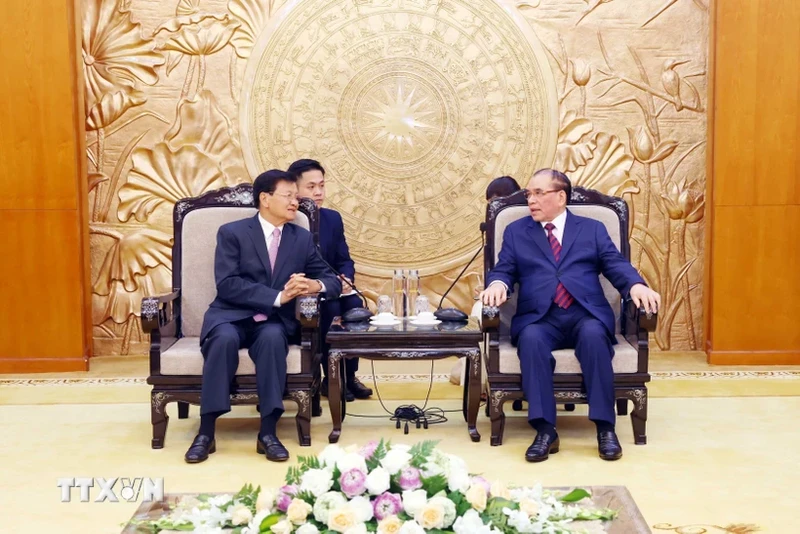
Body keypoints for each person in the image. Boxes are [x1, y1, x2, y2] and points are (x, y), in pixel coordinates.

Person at [481, 169, 660, 462]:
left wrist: (636, 285)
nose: (531, 200)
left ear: (561, 197)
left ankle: (605, 428)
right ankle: (545, 430)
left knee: (592, 337)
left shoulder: (592, 229)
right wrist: (498, 284)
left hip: (584, 313)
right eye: (529, 194)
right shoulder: (517, 232)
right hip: (540, 317)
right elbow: (504, 268)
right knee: (532, 340)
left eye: (539, 193)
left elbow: (615, 264)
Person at [184, 170, 341, 464]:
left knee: (272, 339)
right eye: (289, 196)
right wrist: (280, 296)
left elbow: (331, 280)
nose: (296, 202)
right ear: (265, 199)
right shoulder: (233, 233)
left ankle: (267, 432)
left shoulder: (301, 238)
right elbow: (228, 284)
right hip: (231, 316)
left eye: (297, 196)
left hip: (273, 321)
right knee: (224, 340)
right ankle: (206, 432)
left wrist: (312, 285)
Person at [288, 159, 373, 402]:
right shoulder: (287, 218)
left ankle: (349, 375)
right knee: (331, 307)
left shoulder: (332, 219)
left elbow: (344, 259)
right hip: (308, 292)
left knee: (355, 306)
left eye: (322, 186)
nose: (318, 192)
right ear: (294, 190)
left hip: (334, 288)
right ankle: (330, 377)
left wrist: (346, 277)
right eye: (311, 186)